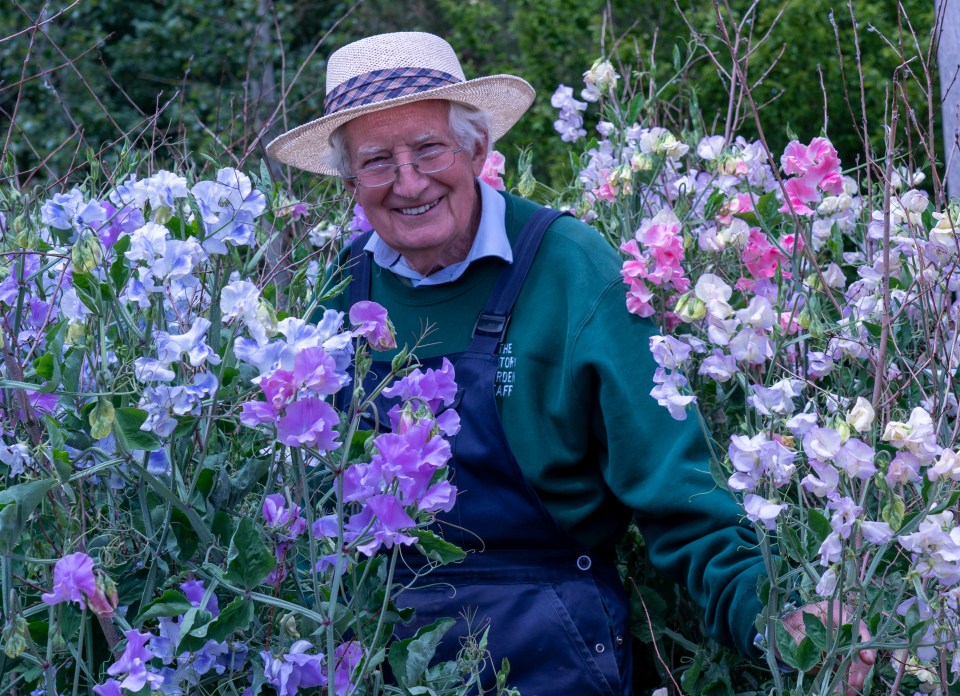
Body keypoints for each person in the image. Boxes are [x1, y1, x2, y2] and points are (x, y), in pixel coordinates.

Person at [267, 32, 873, 695]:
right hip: (382, 644)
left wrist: (783, 618)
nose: (409, 182)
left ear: (477, 149)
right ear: (350, 180)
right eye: (378, 161)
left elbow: (678, 493)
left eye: (428, 149)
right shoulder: (345, 287)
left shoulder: (569, 267)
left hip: (550, 641)